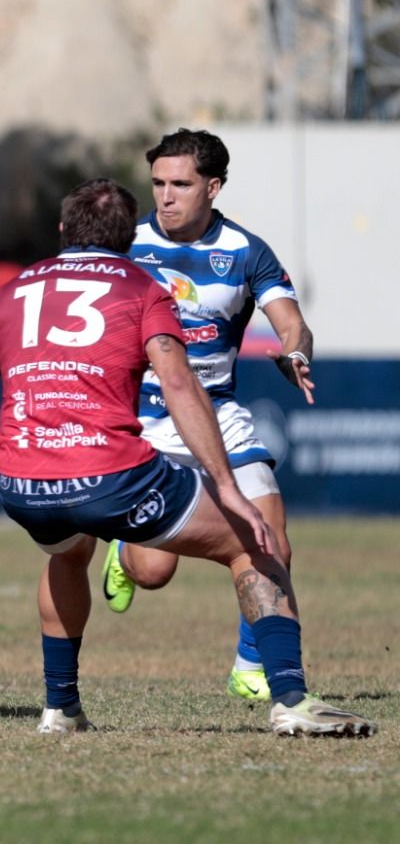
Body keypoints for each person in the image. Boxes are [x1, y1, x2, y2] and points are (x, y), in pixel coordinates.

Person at [0, 178, 372, 737]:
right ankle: (290, 698)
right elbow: (181, 387)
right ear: (127, 240)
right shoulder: (141, 287)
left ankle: (60, 709)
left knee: (68, 554)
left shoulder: (7, 293)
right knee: (256, 542)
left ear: (63, 231)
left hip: (25, 483)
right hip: (112, 475)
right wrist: (227, 487)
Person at [100, 129, 314, 701]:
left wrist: (295, 351)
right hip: (142, 420)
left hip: (218, 415)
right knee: (152, 573)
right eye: (159, 184)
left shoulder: (246, 251)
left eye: (181, 184)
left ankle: (251, 665)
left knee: (271, 541)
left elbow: (291, 321)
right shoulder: (126, 243)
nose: (166, 197)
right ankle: (126, 550)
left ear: (213, 187)